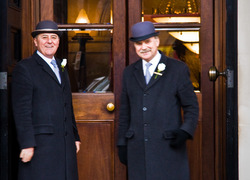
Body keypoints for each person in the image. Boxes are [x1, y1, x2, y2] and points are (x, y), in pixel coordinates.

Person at [117, 21, 199, 180]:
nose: (143, 47)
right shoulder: (129, 72)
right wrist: (122, 142)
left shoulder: (177, 69)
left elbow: (191, 106)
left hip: (168, 147)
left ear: (156, 41)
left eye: (147, 41)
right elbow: (125, 112)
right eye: (138, 43)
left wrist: (185, 130)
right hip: (137, 149)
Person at [12, 20, 81, 180]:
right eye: (44, 37)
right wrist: (27, 143)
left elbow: (67, 104)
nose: (50, 41)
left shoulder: (61, 66)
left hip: (64, 143)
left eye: (54, 37)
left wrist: (75, 136)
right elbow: (22, 110)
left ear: (58, 41)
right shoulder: (25, 68)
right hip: (41, 145)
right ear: (35, 41)